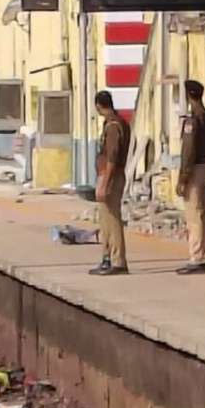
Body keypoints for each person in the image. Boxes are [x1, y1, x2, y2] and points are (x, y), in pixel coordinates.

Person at [175, 80, 205, 275]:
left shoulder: (193, 121)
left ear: (188, 96)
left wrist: (182, 178)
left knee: (194, 216)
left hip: (195, 169)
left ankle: (198, 257)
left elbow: (189, 151)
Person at [90, 91, 132, 276]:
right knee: (105, 219)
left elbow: (113, 156)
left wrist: (105, 181)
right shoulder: (116, 123)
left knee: (112, 219)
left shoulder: (114, 126)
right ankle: (107, 257)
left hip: (111, 176)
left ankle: (117, 260)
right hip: (109, 174)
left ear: (99, 105)